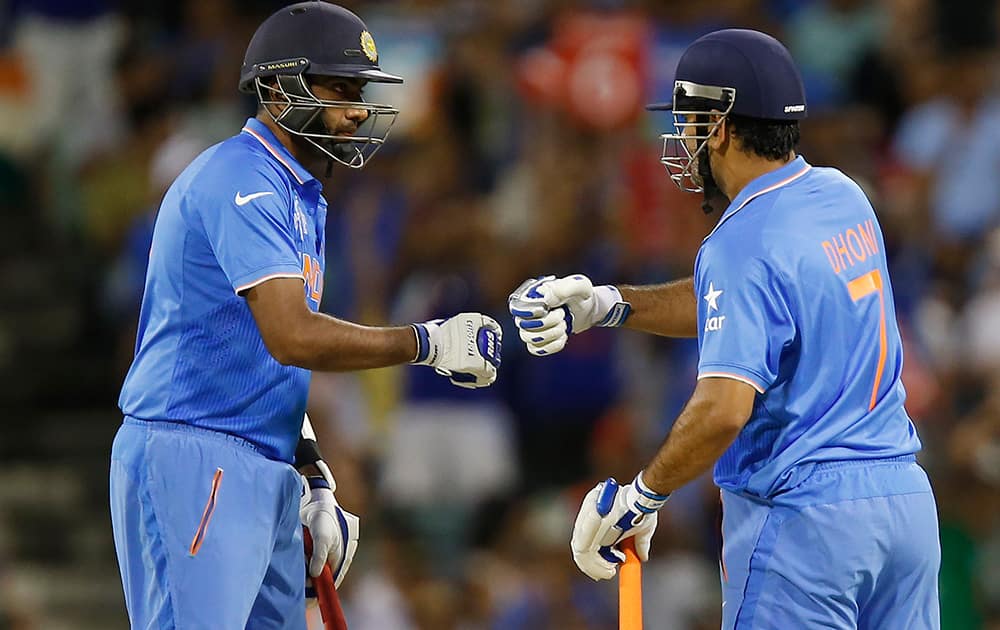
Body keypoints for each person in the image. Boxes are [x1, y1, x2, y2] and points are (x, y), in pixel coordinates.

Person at [508, 29, 939, 629]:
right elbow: (747, 302)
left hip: (806, 523)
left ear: (718, 125)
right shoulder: (843, 195)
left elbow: (724, 408)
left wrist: (643, 493)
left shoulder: (741, 240)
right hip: (904, 508)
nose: (681, 139)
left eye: (686, 122)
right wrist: (609, 303)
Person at [110, 3, 502, 628]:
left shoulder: (298, 191)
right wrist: (424, 343)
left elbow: (264, 358)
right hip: (195, 452)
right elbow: (292, 336)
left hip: (257, 456)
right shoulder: (244, 179)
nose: (356, 109)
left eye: (360, 92)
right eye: (340, 88)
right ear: (277, 88)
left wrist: (310, 470)